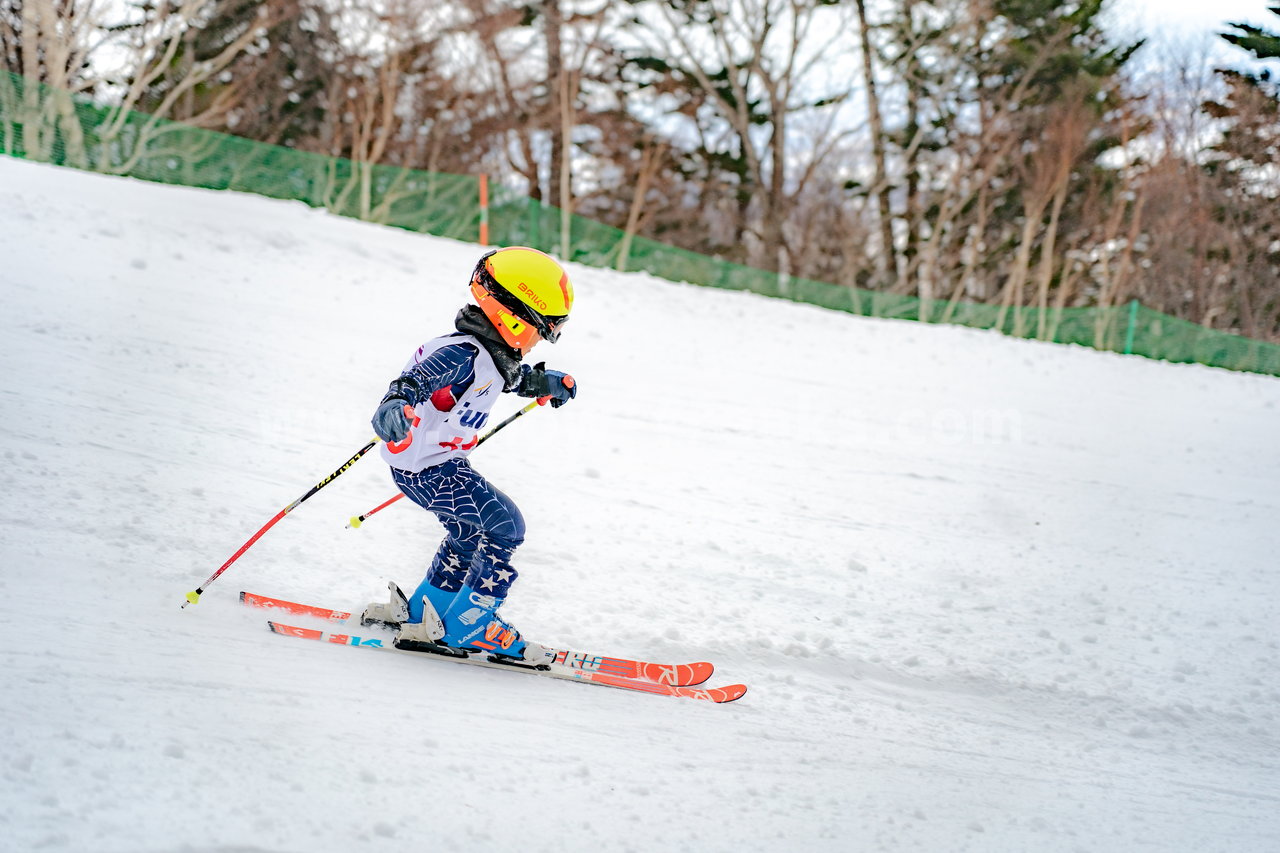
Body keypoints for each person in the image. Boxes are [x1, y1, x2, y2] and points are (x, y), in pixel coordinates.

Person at [360, 247, 576, 667]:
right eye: (539, 331)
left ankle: (427, 613)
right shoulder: (462, 354)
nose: (536, 343)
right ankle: (472, 625)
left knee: (468, 533)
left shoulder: (487, 352)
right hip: (431, 471)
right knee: (507, 526)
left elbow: (505, 378)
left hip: (429, 468)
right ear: (512, 316)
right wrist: (396, 402)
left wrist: (543, 382)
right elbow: (418, 379)